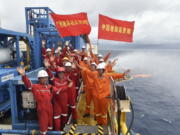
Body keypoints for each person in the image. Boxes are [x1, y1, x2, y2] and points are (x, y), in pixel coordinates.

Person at [17, 67, 57, 135]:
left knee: (50, 127)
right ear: (39, 79)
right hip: (42, 110)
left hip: (50, 109)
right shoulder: (36, 87)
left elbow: (58, 90)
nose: (45, 79)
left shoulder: (50, 87)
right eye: (42, 78)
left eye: (46, 77)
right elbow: (28, 84)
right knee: (43, 129)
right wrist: (23, 75)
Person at [44, 61, 72, 130]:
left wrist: (70, 82)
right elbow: (50, 75)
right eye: (60, 73)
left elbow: (73, 76)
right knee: (56, 118)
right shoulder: (55, 80)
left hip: (65, 102)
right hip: (57, 103)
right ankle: (57, 131)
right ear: (57, 74)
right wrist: (47, 68)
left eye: (62, 73)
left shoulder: (66, 80)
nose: (61, 74)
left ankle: (64, 129)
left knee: (65, 116)